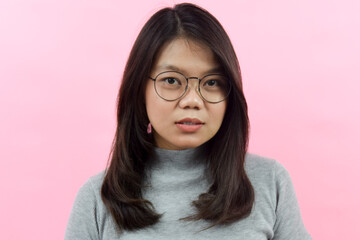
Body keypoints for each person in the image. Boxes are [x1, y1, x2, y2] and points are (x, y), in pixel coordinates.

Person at [65, 3, 311, 240]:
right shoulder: (97, 198)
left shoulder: (270, 182)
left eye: (212, 82)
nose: (192, 101)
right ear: (139, 89)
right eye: (171, 81)